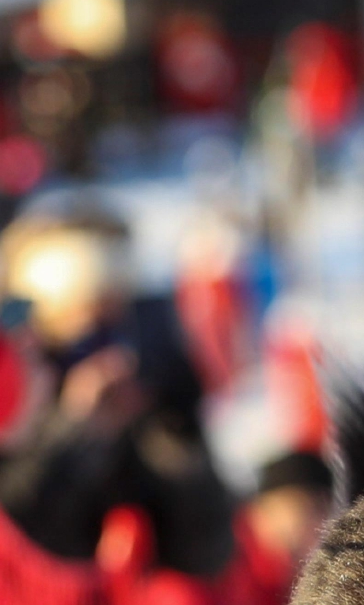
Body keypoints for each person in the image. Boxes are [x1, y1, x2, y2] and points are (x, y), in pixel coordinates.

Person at [0, 198, 234, 576]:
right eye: (77, 321)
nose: (99, 348)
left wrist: (172, 448)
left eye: (111, 314)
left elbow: (208, 555)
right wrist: (76, 436)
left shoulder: (155, 393)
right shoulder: (15, 416)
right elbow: (23, 555)